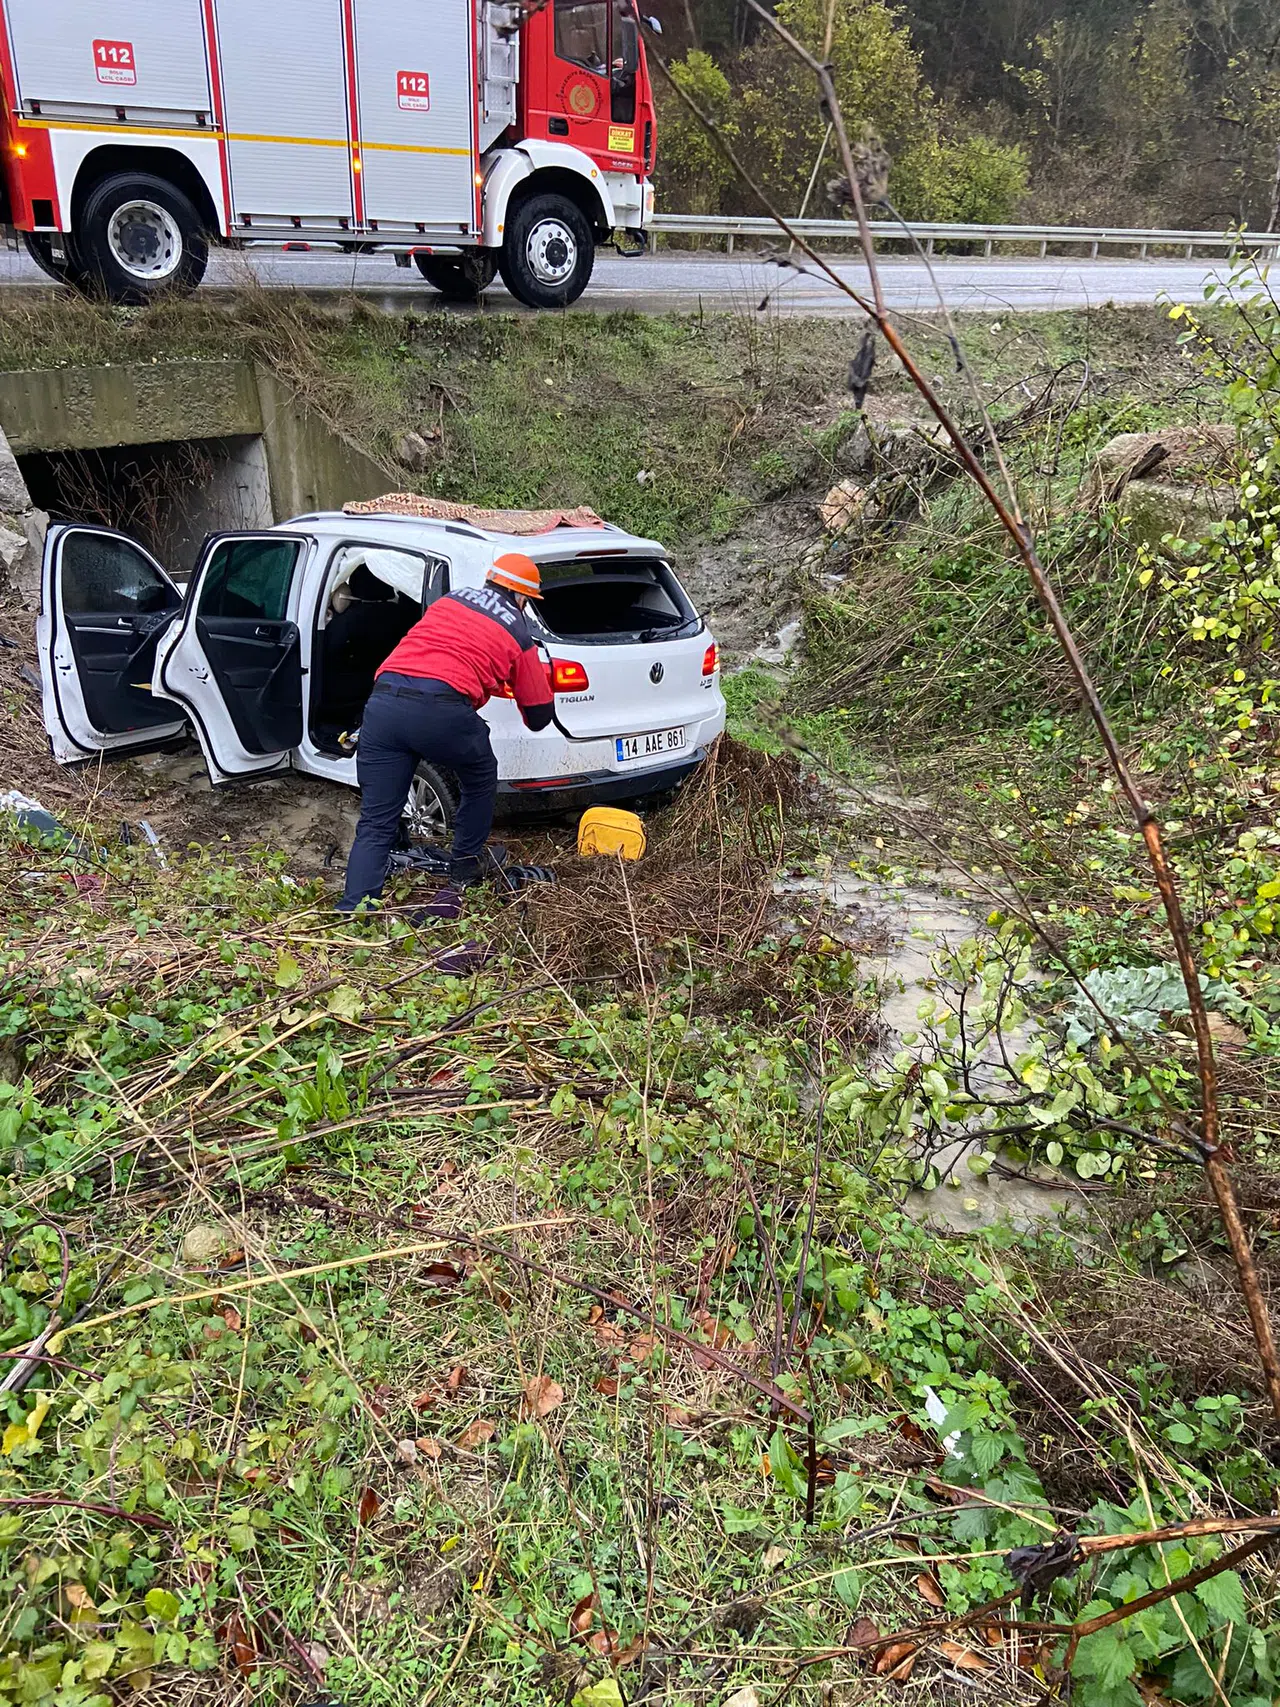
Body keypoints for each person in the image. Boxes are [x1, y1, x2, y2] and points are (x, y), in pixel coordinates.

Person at [337, 552, 554, 911]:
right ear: (521, 597)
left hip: (384, 703)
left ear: (489, 582)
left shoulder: (451, 600)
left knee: (376, 820)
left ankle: (354, 910)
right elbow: (538, 716)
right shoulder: (518, 630)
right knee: (480, 775)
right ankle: (464, 868)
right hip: (442, 709)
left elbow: (440, 651)